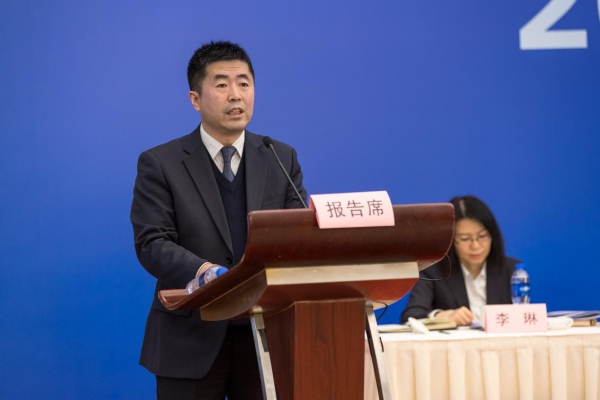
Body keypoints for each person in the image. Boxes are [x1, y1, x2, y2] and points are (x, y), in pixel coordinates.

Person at [130, 41, 307, 400]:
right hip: (190, 338)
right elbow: (153, 243)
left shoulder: (279, 157)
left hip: (264, 335)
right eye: (222, 84)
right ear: (195, 99)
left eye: (244, 83)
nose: (235, 95)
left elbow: (299, 235)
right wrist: (205, 273)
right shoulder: (161, 163)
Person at [400, 195, 519, 326]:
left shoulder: (512, 270)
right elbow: (410, 317)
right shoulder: (432, 272)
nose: (475, 246)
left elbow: (523, 316)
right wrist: (441, 316)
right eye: (465, 238)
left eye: (482, 236)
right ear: (450, 240)